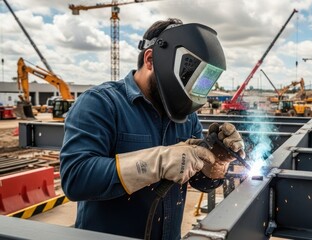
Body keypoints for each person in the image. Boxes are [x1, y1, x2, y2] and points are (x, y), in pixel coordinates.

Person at [60, 18, 245, 240]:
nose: (191, 89)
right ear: (150, 59)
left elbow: (199, 181)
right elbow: (76, 178)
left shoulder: (186, 117)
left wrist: (217, 163)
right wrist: (156, 162)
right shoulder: (101, 103)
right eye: (188, 78)